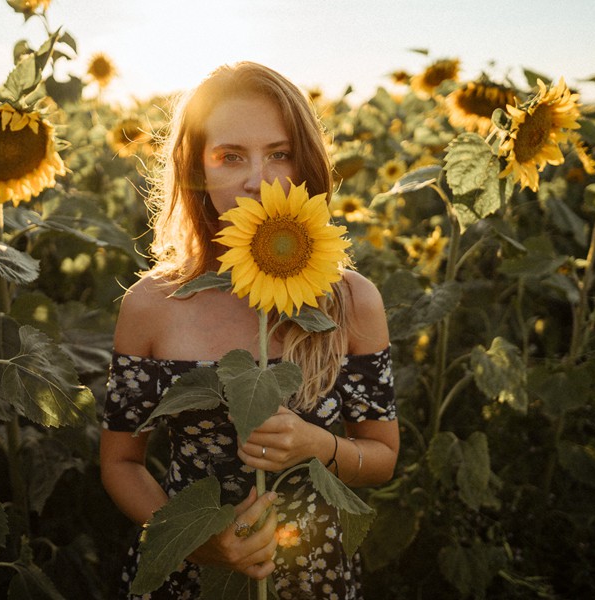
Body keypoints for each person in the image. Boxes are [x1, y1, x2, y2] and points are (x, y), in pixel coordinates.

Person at [100, 61, 399, 599]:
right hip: (188, 576)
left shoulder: (351, 300)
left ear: (305, 163)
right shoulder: (152, 304)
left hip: (315, 574)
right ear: (197, 168)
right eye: (230, 156)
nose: (257, 180)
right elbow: (121, 462)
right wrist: (194, 541)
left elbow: (381, 457)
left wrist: (315, 445)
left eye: (279, 154)